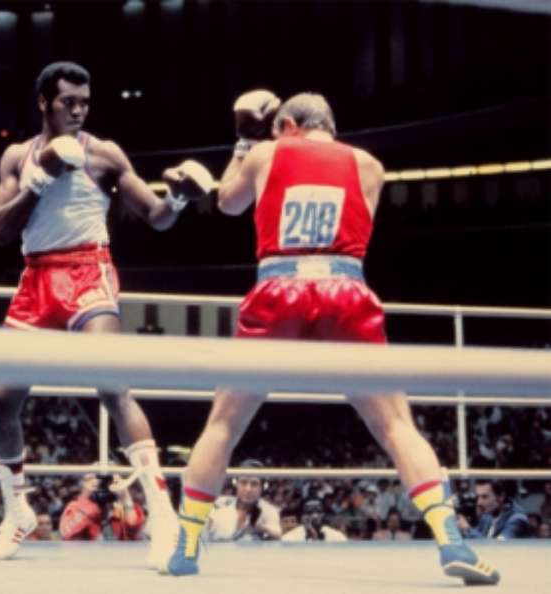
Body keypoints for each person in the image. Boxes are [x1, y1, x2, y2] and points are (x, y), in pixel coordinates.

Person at [165, 90, 500, 586]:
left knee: (224, 422)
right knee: (395, 423)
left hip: (278, 287)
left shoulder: (268, 151)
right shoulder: (370, 165)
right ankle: (452, 540)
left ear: (288, 125)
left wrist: (242, 142)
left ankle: (186, 549)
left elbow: (228, 203)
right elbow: (356, 226)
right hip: (347, 288)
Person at [0, 61, 213, 563]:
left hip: (90, 272)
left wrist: (178, 198)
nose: (78, 110)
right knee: (0, 404)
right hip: (36, 278)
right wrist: (41, 179)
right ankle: (18, 510)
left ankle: (162, 515)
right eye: (68, 101)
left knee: (111, 384)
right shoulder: (17, 156)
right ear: (44, 100)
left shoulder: (104, 153)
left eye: (84, 102)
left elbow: (155, 217)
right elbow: (0, 229)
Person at [206, 459, 281, 541]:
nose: (248, 489)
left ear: (263, 487)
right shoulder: (219, 504)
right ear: (236, 484)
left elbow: (278, 534)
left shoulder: (270, 511)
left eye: (254, 484)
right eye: (243, 482)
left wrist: (261, 528)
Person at [58, 473, 145, 541]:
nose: (103, 485)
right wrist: (85, 499)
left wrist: (126, 498)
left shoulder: (121, 510)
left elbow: (134, 530)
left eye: (109, 482)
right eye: (92, 479)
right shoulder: (75, 506)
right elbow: (67, 534)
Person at [458, 480, 530, 539]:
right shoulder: (488, 515)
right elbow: (476, 536)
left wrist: (467, 529)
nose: (479, 503)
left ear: (501, 496)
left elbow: (498, 548)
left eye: (484, 497)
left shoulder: (517, 520)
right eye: (478, 497)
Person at [282, 497, 346, 542]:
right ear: (301, 516)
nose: (314, 516)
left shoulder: (337, 536)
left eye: (319, 511)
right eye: (309, 512)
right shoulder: (289, 538)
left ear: (324, 513)